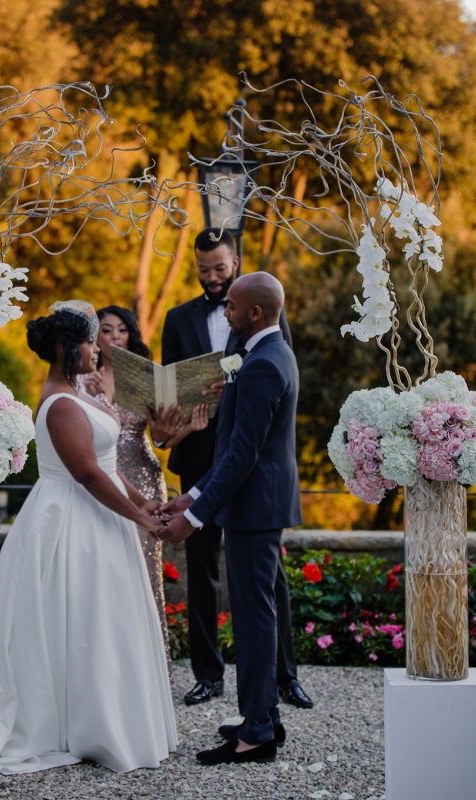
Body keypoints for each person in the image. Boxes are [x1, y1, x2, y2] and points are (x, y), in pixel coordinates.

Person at [0, 303, 177, 774]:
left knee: (105, 621)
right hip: (70, 522)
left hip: (101, 519)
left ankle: (113, 721)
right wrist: (142, 522)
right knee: (81, 620)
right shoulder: (60, 404)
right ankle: (86, 726)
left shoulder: (80, 394)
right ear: (68, 348)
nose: (95, 348)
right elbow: (86, 474)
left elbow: (108, 464)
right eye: (88, 341)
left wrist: (144, 504)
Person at [160, 228, 311, 711]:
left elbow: (253, 439)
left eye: (220, 271)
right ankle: (233, 699)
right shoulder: (182, 320)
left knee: (260, 601)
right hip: (209, 460)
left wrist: (195, 511)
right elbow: (169, 390)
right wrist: (194, 490)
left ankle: (269, 706)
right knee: (220, 587)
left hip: (250, 481)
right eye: (203, 271)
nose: (213, 283)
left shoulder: (265, 350)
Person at [79, 304, 209, 673]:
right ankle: (103, 665)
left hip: (143, 473)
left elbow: (162, 440)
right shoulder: (82, 376)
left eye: (122, 330)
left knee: (144, 573)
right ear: (95, 336)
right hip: (100, 472)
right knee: (103, 566)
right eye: (107, 330)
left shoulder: (145, 376)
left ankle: (149, 668)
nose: (116, 336)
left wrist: (190, 428)